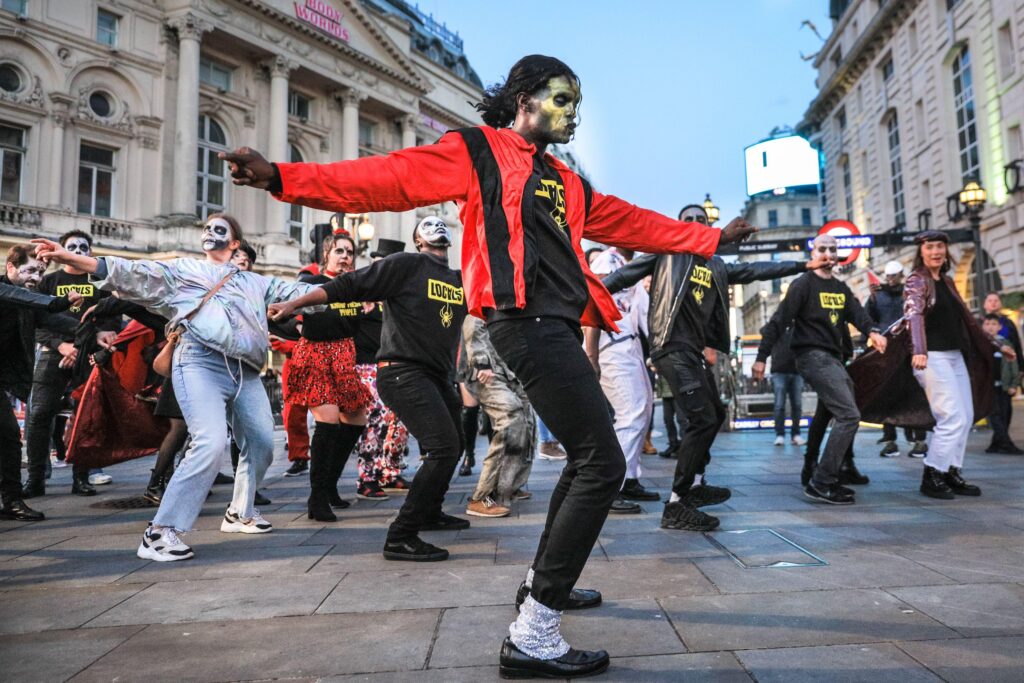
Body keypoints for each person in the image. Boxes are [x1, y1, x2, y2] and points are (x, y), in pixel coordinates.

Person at [223, 54, 755, 678]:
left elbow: (631, 221)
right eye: (562, 99)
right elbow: (386, 177)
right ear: (525, 98)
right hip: (522, 323)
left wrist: (712, 240)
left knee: (593, 457)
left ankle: (540, 592)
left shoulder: (566, 181)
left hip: (555, 324)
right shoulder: (479, 151)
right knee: (602, 461)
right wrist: (283, 176)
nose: (573, 113)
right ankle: (534, 630)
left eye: (577, 103)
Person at [33, 213, 322, 561]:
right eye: (206, 228)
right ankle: (160, 532)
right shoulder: (184, 270)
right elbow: (131, 271)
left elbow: (302, 291)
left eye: (219, 229)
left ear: (234, 244)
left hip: (245, 371)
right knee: (210, 442)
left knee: (262, 443)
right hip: (198, 361)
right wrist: (68, 257)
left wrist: (357, 288)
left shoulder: (256, 283)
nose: (208, 232)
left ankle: (239, 511)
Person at [603, 202, 817, 531]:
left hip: (693, 352)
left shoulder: (717, 265)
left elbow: (757, 271)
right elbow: (621, 277)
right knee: (701, 419)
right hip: (670, 346)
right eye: (687, 219)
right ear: (679, 226)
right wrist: (584, 295)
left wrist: (804, 264)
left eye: (700, 220)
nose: (694, 223)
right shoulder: (667, 252)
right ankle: (676, 504)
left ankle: (696, 484)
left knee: (715, 414)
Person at [269, 216, 469, 562]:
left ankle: (431, 510)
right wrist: (294, 305)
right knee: (443, 446)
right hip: (403, 372)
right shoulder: (405, 265)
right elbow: (348, 286)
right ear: (417, 239)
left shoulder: (459, 278)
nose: (437, 231)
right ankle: (401, 534)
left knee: (456, 443)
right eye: (428, 227)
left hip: (438, 375)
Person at [849, 231, 1008, 499]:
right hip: (932, 357)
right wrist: (919, 349)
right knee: (951, 417)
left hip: (955, 355)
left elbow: (968, 319)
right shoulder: (917, 280)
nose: (936, 252)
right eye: (930, 247)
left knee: (966, 416)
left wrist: (997, 344)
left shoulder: (946, 281)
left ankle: (950, 471)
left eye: (940, 247)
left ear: (946, 250)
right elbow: (914, 315)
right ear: (921, 252)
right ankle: (932, 474)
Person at [754, 234, 888, 505]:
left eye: (832, 249)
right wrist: (761, 357)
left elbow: (857, 314)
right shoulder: (803, 284)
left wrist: (873, 331)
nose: (828, 254)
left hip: (834, 358)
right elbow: (779, 321)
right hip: (812, 356)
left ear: (838, 255)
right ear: (813, 254)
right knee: (849, 415)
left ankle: (812, 468)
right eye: (822, 249)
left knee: (827, 411)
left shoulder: (840, 287)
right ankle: (823, 482)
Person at [22, 230, 119, 498]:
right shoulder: (48, 281)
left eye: (83, 247)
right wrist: (60, 345)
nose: (78, 250)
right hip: (53, 354)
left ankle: (82, 477)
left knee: (84, 416)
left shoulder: (100, 282)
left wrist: (80, 346)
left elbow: (110, 320)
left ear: (90, 251)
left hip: (87, 356)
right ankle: (35, 479)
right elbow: (35, 320)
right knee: (40, 415)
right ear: (62, 250)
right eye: (72, 246)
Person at [287, 232, 370, 520]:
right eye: (339, 251)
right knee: (328, 420)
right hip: (317, 355)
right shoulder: (311, 283)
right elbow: (282, 315)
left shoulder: (355, 288)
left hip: (345, 357)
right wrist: (300, 331)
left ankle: (330, 485)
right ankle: (317, 498)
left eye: (349, 252)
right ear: (326, 255)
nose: (345, 256)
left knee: (356, 417)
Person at [0, 245, 79, 520]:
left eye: (41, 272)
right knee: (8, 434)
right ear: (10, 267)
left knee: (9, 437)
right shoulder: (7, 290)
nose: (36, 278)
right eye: (30, 270)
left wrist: (93, 329)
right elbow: (32, 301)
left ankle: (10, 500)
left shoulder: (29, 300)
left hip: (6, 376)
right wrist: (62, 301)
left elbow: (52, 320)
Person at [589, 246, 658, 511]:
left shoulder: (630, 263)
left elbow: (642, 313)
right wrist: (591, 352)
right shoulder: (607, 260)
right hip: (612, 344)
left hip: (632, 345)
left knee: (643, 411)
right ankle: (611, 486)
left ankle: (629, 477)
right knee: (630, 412)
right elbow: (594, 301)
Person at [353, 238, 411, 498]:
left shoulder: (400, 294)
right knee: (375, 418)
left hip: (396, 362)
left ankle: (391, 471)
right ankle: (368, 478)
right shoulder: (363, 289)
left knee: (401, 418)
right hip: (366, 364)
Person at [462, 315, 536, 516]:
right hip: (488, 369)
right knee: (511, 419)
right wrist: (481, 361)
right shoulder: (489, 287)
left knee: (527, 421)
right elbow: (473, 318)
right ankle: (481, 497)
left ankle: (508, 487)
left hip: (509, 369)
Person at [867, 260, 927, 458]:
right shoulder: (877, 295)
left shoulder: (909, 292)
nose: (891, 279)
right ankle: (891, 440)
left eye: (894, 275)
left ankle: (918, 440)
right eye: (889, 276)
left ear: (901, 274)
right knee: (888, 393)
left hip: (907, 346)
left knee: (915, 393)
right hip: (888, 346)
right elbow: (868, 320)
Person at [982, 313, 1023, 454]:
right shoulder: (981, 345)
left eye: (994, 324)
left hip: (1004, 387)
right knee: (995, 416)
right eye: (987, 324)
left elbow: (1014, 366)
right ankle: (1007, 444)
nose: (990, 327)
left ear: (999, 327)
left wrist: (1014, 384)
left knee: (1005, 415)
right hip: (988, 388)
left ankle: (996, 444)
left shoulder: (1006, 344)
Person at [765, 323, 805, 447]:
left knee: (797, 405)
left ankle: (795, 434)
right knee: (779, 405)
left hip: (796, 370)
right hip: (779, 371)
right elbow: (765, 332)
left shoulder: (800, 326)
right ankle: (780, 435)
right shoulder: (777, 325)